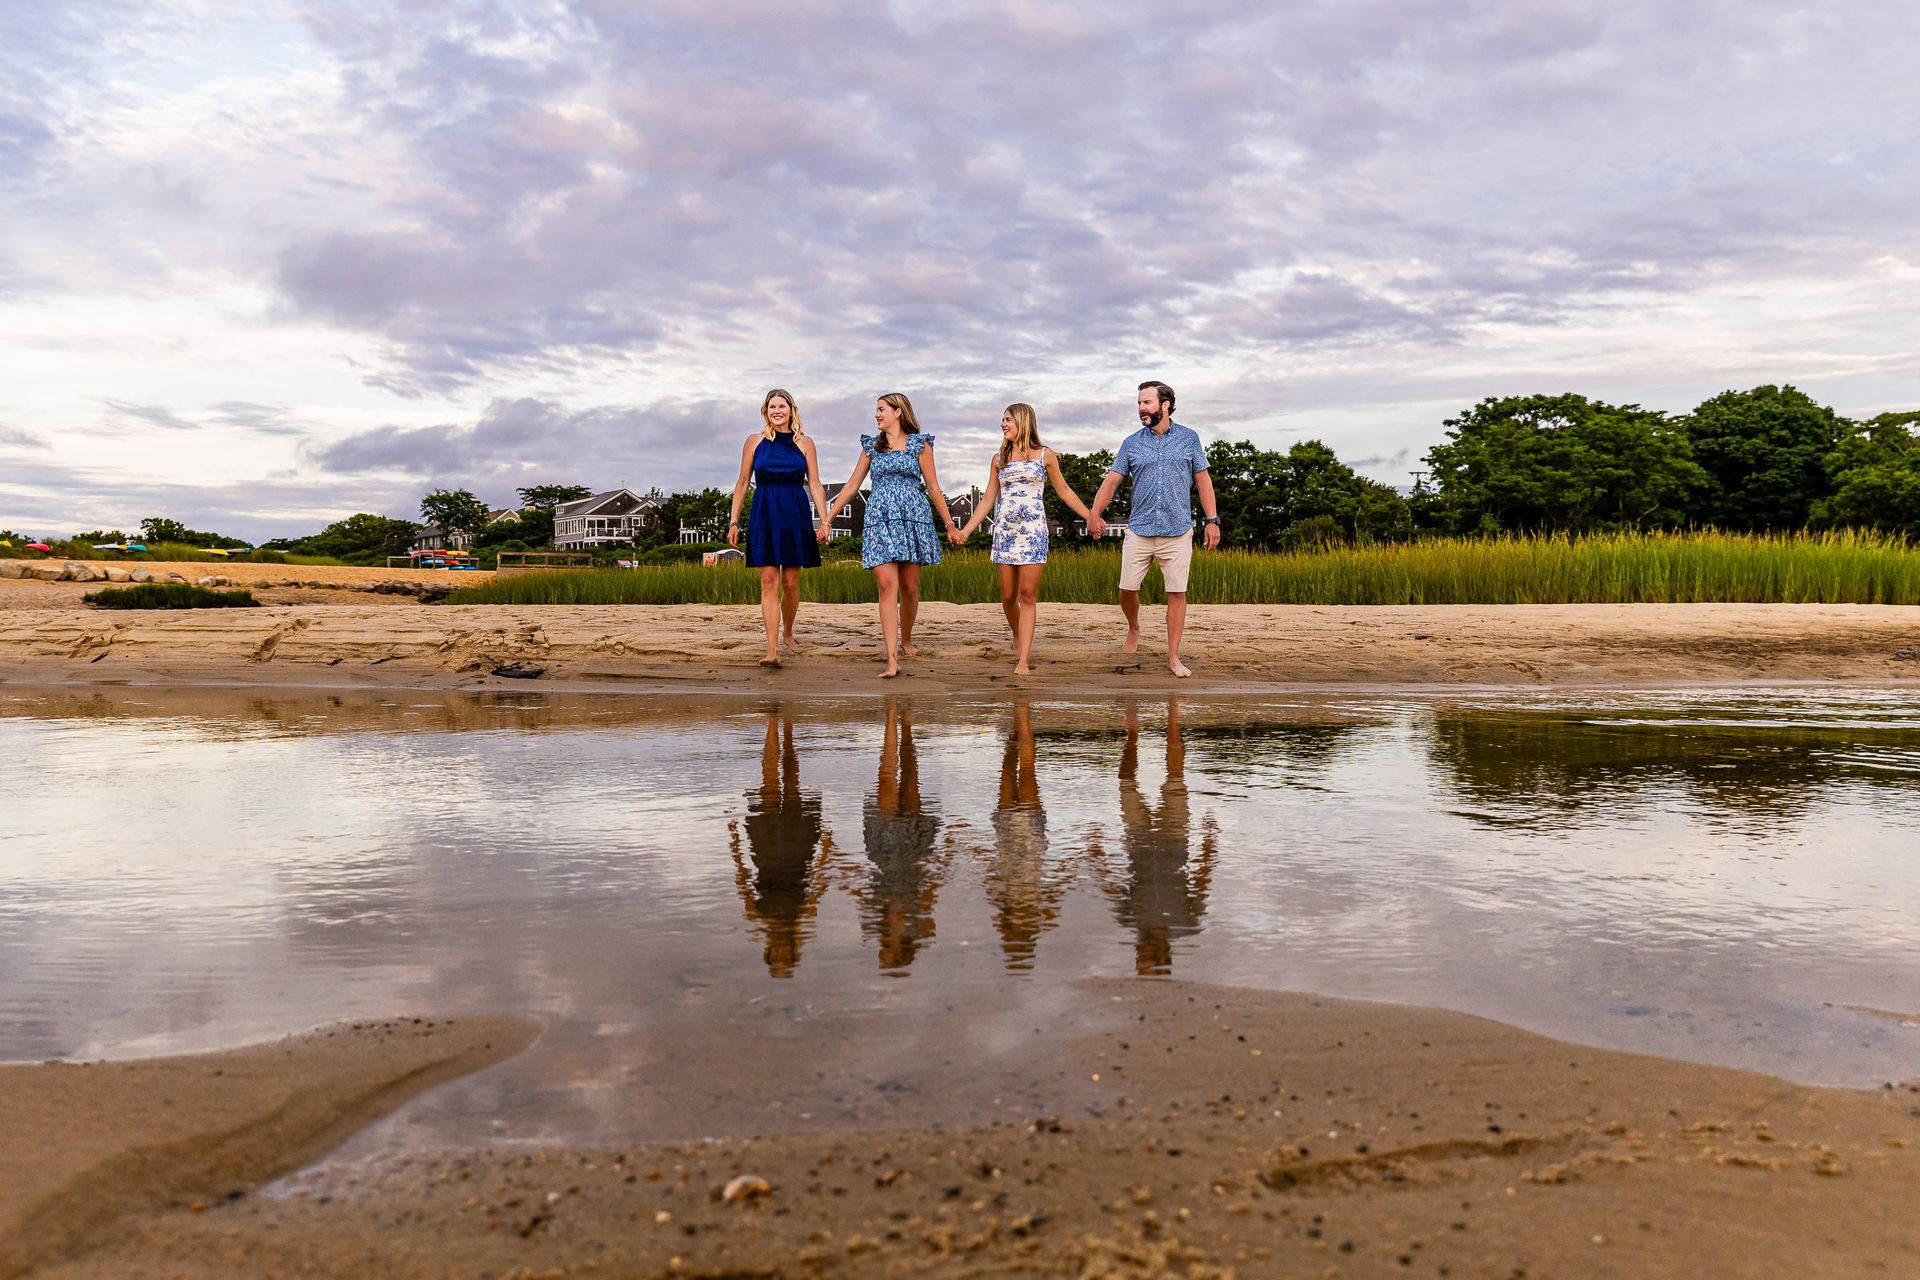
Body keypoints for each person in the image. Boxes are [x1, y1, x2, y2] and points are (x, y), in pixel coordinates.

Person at [951, 403, 1105, 674]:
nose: (1003, 424)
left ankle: (1023, 659)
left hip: (1033, 533)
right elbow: (988, 498)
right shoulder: (999, 458)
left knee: (1028, 595)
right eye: (1002, 420)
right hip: (1005, 534)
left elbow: (1065, 491)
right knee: (1008, 596)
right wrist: (966, 530)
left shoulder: (1045, 455)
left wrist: (1091, 516)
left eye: (1007, 419)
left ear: (1022, 421)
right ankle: (1017, 633)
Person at [1088, 381, 1221, 678]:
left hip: (1177, 530)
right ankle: (1134, 626)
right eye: (1138, 403)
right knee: (1126, 590)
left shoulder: (1189, 439)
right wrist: (1095, 513)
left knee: (1176, 593)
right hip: (1140, 529)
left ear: (1165, 405)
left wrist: (1212, 521)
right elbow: (1111, 481)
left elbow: (1203, 481)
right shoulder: (1132, 443)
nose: (1141, 409)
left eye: (1146, 403)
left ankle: (1173, 657)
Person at [823, 393, 961, 678]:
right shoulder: (872, 447)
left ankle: (906, 639)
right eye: (876, 410)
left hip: (913, 519)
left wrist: (949, 524)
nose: (877, 415)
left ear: (898, 412)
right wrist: (827, 519)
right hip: (880, 519)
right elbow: (851, 486)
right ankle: (891, 658)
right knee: (887, 585)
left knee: (909, 588)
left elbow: (934, 487)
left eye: (881, 410)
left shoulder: (919, 445)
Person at [728, 389, 831, 667]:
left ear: (791, 410)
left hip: (795, 513)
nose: (777, 410)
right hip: (764, 513)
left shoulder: (805, 443)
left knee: (790, 583)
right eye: (772, 406)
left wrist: (825, 520)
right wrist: (734, 520)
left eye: (782, 406)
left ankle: (787, 630)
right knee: (768, 581)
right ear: (766, 411)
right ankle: (772, 649)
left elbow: (816, 484)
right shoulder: (753, 442)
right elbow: (741, 483)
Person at [732, 708, 829, 978]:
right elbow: (819, 881)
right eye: (785, 958)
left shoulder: (756, 916)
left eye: (778, 958)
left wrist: (735, 838)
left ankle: (774, 725)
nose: (781, 954)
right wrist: (826, 848)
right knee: (792, 783)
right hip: (799, 849)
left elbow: (742, 877)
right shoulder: (803, 918)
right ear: (793, 953)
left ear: (770, 953)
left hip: (765, 849)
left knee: (770, 782)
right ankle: (786, 733)